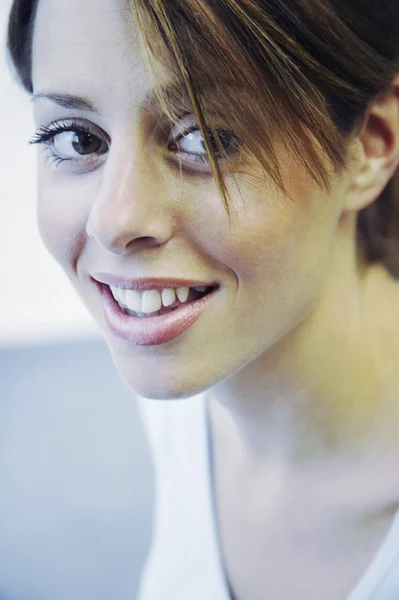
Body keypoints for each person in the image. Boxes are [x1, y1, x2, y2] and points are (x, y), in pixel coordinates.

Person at [6, 0, 399, 598]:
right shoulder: (182, 380)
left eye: (206, 139)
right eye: (78, 138)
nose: (115, 220)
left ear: (370, 144)